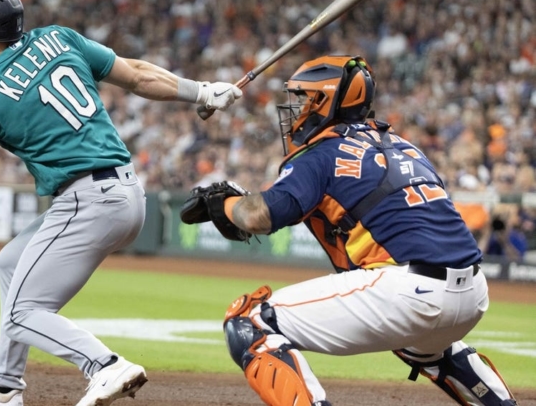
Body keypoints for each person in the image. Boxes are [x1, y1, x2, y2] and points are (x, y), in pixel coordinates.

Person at [0, 0, 242, 406]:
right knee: (10, 263)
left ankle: (105, 366)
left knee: (22, 313)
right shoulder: (57, 38)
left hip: (86, 201)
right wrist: (202, 90)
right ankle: (4, 390)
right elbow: (135, 75)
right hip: (127, 192)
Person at [181, 55, 518, 406]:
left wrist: (223, 204)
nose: (295, 109)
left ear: (324, 102)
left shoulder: (322, 153)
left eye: (302, 99)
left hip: (408, 291)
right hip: (473, 293)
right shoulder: (406, 147)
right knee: (425, 348)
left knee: (248, 321)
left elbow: (259, 216)